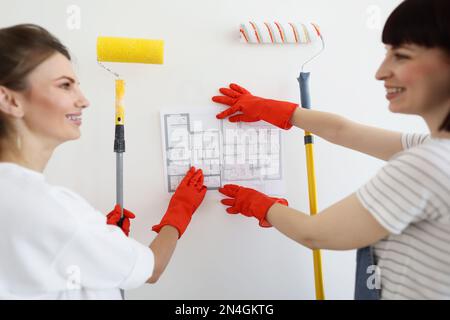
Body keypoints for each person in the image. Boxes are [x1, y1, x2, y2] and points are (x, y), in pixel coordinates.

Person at [212, 0, 450, 300]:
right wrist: (276, 110)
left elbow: (315, 233)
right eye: (386, 53)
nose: (380, 72)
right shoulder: (437, 150)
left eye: (400, 56)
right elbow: (344, 132)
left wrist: (257, 203)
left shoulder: (427, 164)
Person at [0, 24, 207, 299]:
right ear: (9, 99)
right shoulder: (55, 213)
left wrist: (102, 241)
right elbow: (152, 269)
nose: (84, 101)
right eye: (65, 85)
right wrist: (179, 212)